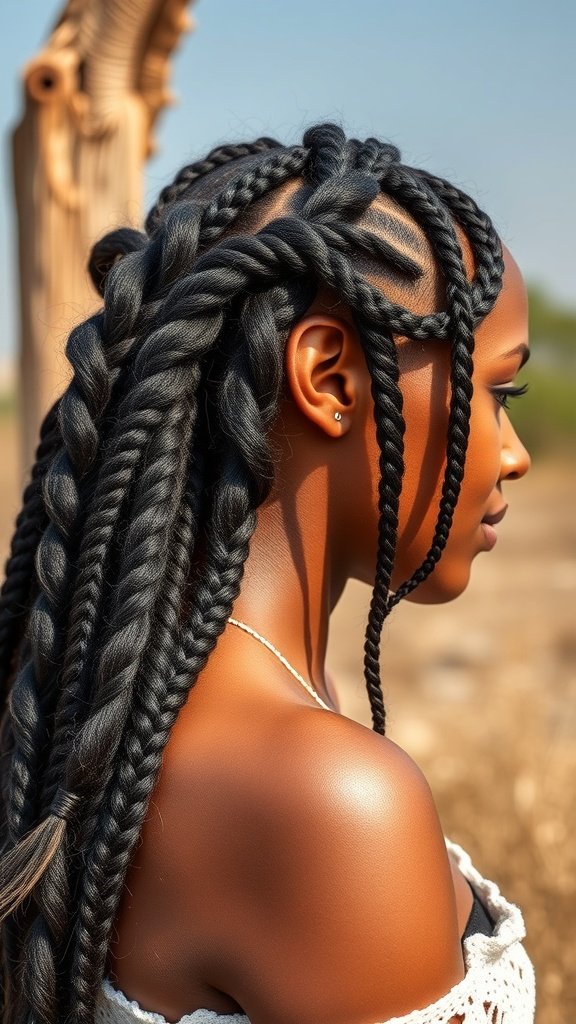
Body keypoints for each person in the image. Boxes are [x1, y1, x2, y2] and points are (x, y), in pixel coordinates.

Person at [0, 123, 536, 1024]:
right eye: (497, 392)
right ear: (330, 377)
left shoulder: (79, 703)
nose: (514, 454)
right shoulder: (323, 800)